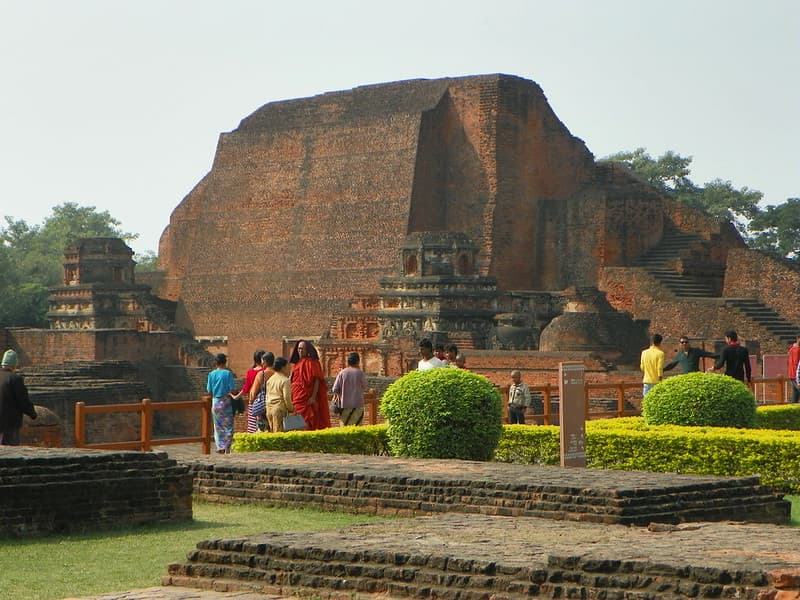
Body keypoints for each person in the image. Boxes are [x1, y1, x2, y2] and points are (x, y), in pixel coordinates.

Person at [289, 340, 330, 430]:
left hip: (307, 397)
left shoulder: (312, 362)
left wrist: (313, 396)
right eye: (299, 348)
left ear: (307, 350)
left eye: (303, 349)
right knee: (295, 420)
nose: (300, 351)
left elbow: (317, 380)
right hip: (296, 397)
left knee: (307, 422)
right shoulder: (296, 364)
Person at [0, 349, 37, 446]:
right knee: (9, 451)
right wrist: (32, 414)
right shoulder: (15, 379)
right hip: (9, 423)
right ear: (14, 365)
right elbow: (23, 400)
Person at [206, 353, 236, 453]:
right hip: (226, 401)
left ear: (216, 362)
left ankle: (220, 447)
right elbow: (232, 389)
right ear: (225, 362)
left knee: (217, 426)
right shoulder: (228, 374)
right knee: (228, 426)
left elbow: (209, 391)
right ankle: (227, 447)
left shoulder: (211, 374)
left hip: (216, 401)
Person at [332, 352, 368, 426]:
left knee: (345, 429)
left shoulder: (342, 373)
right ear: (358, 361)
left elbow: (335, 389)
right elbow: (365, 386)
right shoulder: (360, 373)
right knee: (357, 429)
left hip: (344, 405)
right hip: (358, 405)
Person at [233, 349, 265, 433]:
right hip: (265, 401)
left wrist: (237, 396)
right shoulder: (266, 372)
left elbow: (246, 388)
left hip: (253, 401)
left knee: (252, 426)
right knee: (264, 426)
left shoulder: (251, 372)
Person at [265, 357, 293, 432]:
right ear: (283, 367)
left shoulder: (270, 380)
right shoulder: (285, 380)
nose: (288, 369)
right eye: (287, 366)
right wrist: (291, 409)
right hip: (279, 410)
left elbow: (267, 396)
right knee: (279, 435)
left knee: (272, 433)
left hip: (269, 410)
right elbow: (287, 397)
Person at [249, 352, 275, 431]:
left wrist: (252, 401)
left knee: (263, 430)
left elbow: (253, 393)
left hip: (263, 407)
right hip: (275, 405)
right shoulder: (277, 374)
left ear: (265, 362)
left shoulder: (261, 374)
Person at [788, 335, 800, 403]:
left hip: (791, 374)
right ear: (798, 339)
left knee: (795, 395)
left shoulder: (792, 348)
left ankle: (793, 411)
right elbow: (796, 363)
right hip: (796, 375)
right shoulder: (797, 350)